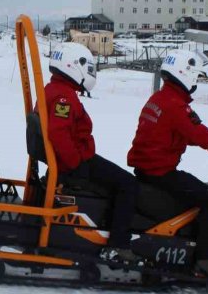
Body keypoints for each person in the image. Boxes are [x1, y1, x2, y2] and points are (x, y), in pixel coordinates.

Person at [127, 50, 208, 279]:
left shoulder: (160, 98)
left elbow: (177, 133)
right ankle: (206, 260)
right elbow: (202, 138)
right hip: (160, 172)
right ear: (184, 74)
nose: (196, 83)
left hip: (149, 169)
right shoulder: (175, 105)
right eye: (196, 77)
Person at [43, 44, 139, 263]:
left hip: (71, 159)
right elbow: (59, 133)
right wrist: (77, 164)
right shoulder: (64, 98)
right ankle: (118, 245)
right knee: (128, 184)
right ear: (74, 66)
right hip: (73, 163)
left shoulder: (55, 90)